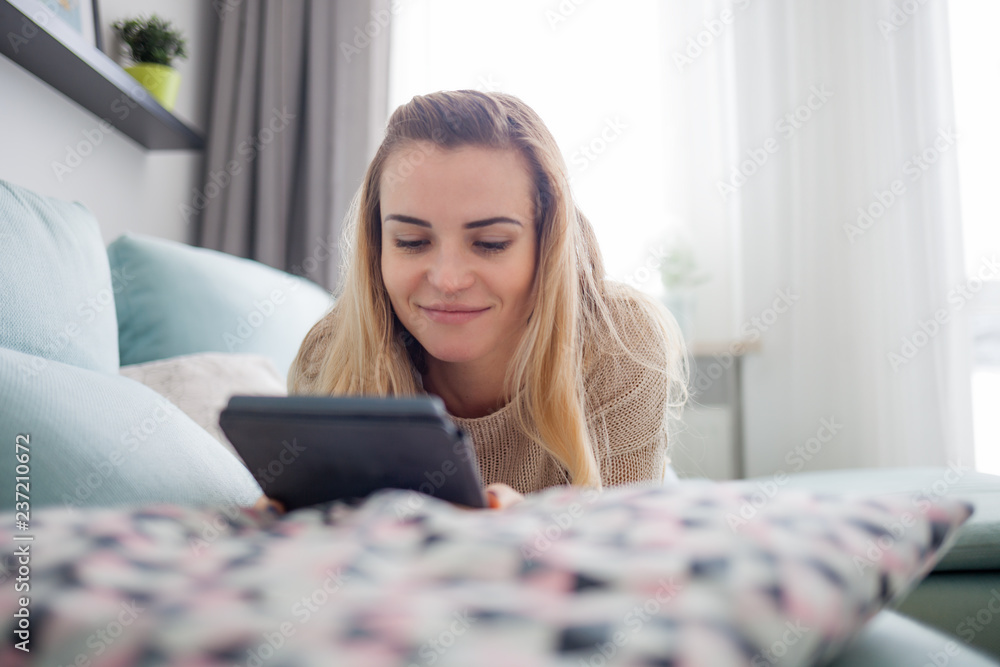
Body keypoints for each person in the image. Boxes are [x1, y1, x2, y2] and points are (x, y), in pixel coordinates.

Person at [256, 90, 688, 514]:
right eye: (411, 241)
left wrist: (527, 528)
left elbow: (619, 555)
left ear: (547, 245)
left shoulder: (620, 343)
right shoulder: (333, 357)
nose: (448, 280)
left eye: (491, 243)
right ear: (378, 245)